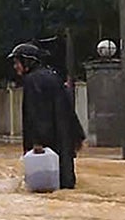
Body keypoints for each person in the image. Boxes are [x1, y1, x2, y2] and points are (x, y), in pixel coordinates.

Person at [12, 42, 84, 189]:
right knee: (65, 182)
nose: (15, 67)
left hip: (47, 142)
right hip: (64, 140)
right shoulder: (53, 77)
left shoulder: (32, 81)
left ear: (27, 62)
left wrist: (37, 142)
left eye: (17, 62)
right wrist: (77, 136)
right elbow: (68, 109)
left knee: (45, 189)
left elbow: (35, 113)